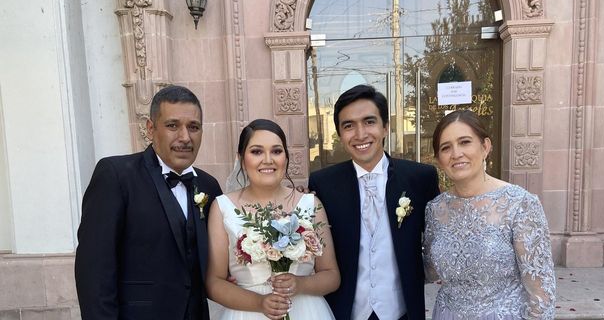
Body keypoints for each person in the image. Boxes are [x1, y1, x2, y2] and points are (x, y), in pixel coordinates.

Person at [75, 85, 223, 320]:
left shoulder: (209, 186)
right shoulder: (115, 175)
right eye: (172, 125)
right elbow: (94, 271)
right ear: (151, 128)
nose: (185, 137)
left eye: (193, 127)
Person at [309, 84, 440, 320]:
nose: (360, 134)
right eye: (349, 125)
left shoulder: (420, 178)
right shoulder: (322, 184)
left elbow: (439, 236)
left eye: (369, 122)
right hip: (345, 311)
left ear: (385, 127)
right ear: (340, 134)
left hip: (402, 311)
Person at [423, 109, 556, 319]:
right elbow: (428, 270)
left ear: (485, 147)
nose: (456, 153)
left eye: (465, 142)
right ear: (439, 159)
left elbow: (541, 293)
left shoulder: (519, 204)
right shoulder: (435, 209)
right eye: (446, 147)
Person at [206, 119, 340, 320]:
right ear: (241, 159)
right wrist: (259, 303)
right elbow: (214, 283)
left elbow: (331, 275)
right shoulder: (222, 207)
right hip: (246, 312)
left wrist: (300, 283)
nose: (267, 160)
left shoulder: (311, 204)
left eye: (276, 151)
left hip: (305, 310)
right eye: (257, 152)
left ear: (286, 158)